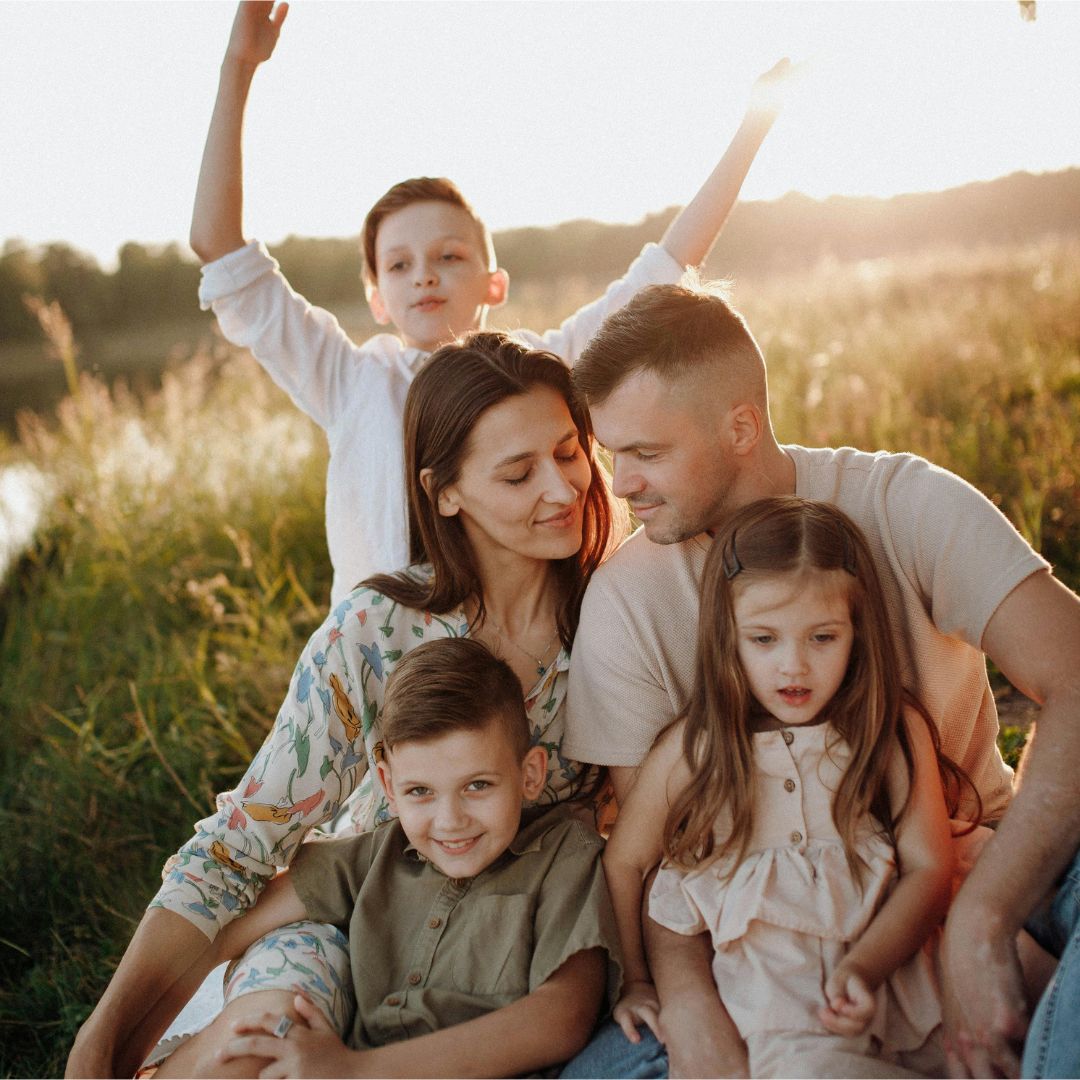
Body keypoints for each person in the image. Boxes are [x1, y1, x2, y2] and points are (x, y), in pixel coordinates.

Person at [561, 281, 1080, 1078]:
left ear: (741, 426)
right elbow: (664, 856)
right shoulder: (628, 601)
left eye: (647, 453)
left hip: (983, 877)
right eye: (610, 455)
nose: (619, 483)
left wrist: (982, 918)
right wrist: (690, 1001)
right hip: (764, 958)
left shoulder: (904, 501)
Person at [66, 333, 618, 1078]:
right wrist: (99, 1042)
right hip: (342, 918)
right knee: (256, 1052)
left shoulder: (618, 624)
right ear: (444, 491)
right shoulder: (377, 631)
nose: (562, 489)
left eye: (569, 452)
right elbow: (237, 848)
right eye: (519, 474)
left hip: (511, 940)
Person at [190, 1, 792, 606]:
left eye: (449, 256)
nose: (424, 276)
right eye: (400, 265)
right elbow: (222, 252)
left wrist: (754, 127)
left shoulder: (545, 371)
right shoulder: (349, 380)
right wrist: (238, 67)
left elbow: (667, 266)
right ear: (377, 298)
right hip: (395, 663)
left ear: (494, 284)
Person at [602, 496, 989, 1078]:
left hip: (899, 970)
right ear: (725, 636)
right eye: (764, 640)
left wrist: (866, 966)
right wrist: (637, 981)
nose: (794, 667)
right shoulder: (698, 747)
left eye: (822, 638)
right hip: (781, 992)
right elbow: (625, 862)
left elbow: (930, 867)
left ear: (858, 633)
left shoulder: (887, 729)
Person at [145, 637, 621, 1078]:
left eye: (478, 785)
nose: (450, 820)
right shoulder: (382, 854)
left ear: (530, 774)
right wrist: (135, 1026)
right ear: (390, 788)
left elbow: (561, 1018)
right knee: (246, 1049)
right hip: (347, 1063)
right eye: (421, 792)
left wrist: (354, 1071)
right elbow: (226, 933)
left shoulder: (564, 854)